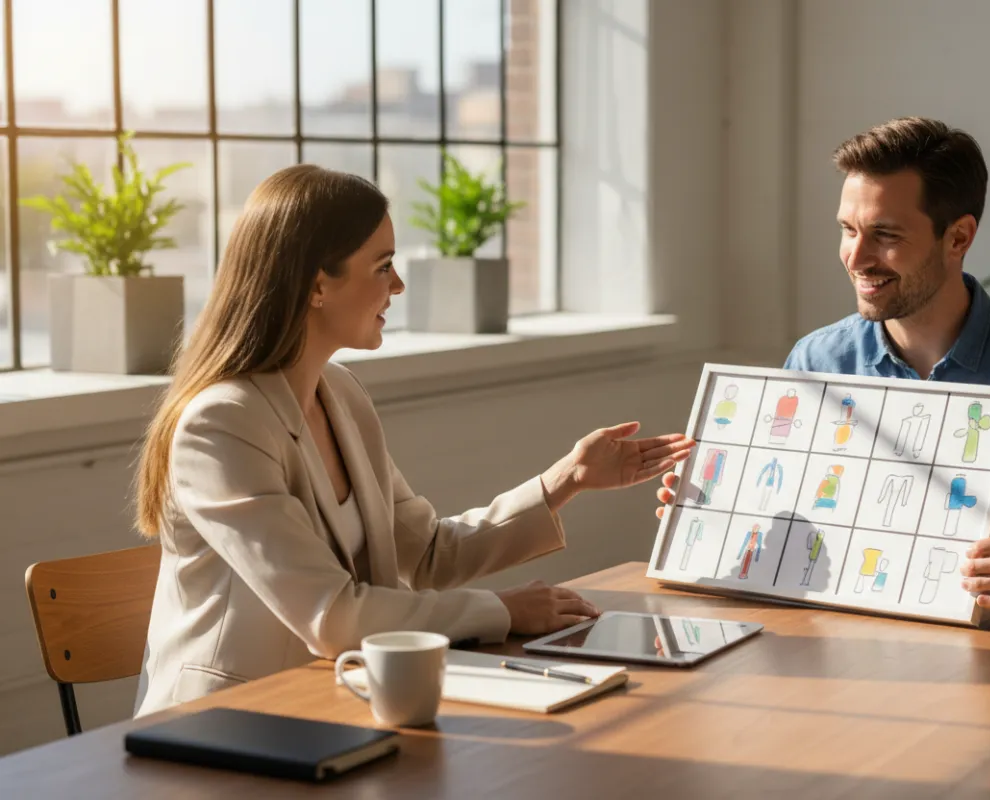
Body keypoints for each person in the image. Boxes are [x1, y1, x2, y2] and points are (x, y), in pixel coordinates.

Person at [132, 165, 695, 716]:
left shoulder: (341, 394)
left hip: (330, 708)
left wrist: (565, 481)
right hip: (227, 726)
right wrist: (501, 611)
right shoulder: (223, 424)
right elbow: (331, 616)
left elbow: (427, 554)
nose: (398, 285)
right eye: (382, 266)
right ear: (317, 284)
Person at [658, 116, 990, 616]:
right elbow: (787, 539)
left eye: (885, 235)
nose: (857, 257)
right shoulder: (814, 362)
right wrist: (716, 513)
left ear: (958, 238)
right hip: (835, 653)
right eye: (848, 230)